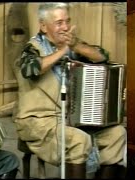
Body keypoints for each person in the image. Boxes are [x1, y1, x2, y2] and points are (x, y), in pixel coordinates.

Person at [13, 3, 126, 179]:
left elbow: (102, 57)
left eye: (67, 21)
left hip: (73, 119)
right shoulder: (32, 48)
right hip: (39, 122)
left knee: (117, 134)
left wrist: (75, 45)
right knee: (78, 140)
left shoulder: (72, 45)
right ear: (43, 26)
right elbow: (31, 69)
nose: (65, 27)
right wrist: (62, 51)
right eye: (59, 23)